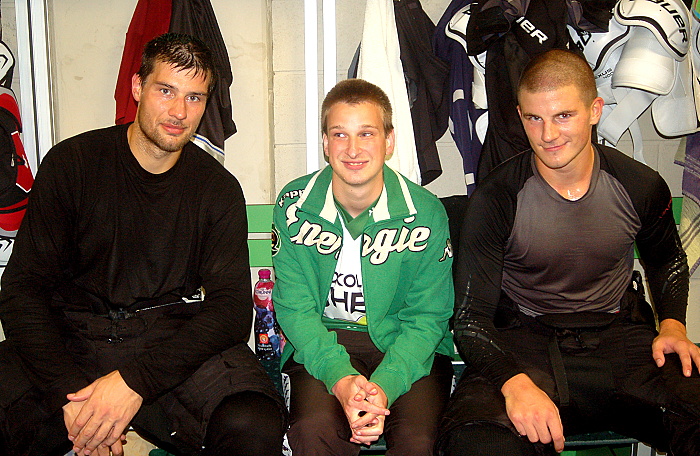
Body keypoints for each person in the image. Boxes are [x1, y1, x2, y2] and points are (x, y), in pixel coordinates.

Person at [0, 33, 286, 456]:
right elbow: (21, 292)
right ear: (137, 87)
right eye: (166, 90)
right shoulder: (72, 164)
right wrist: (74, 401)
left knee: (252, 422)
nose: (179, 112)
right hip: (72, 336)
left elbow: (230, 310)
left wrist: (134, 382)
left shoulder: (216, 189)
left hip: (166, 342)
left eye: (194, 97)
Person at [438, 49, 700, 455]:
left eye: (563, 116)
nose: (548, 135)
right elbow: (471, 319)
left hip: (621, 340)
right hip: (527, 342)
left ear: (594, 110)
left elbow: (667, 259)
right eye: (534, 118)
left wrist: (672, 326)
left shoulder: (639, 185)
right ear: (519, 115)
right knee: (476, 442)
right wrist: (513, 382)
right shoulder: (496, 198)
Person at [271, 78, 455, 455]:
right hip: (325, 340)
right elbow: (294, 308)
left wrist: (383, 386)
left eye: (366, 134)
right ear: (325, 143)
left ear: (389, 141)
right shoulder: (294, 206)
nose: (353, 149)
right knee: (313, 431)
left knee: (419, 441)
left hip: (407, 343)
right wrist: (340, 379)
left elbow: (428, 317)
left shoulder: (426, 213)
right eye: (340, 134)